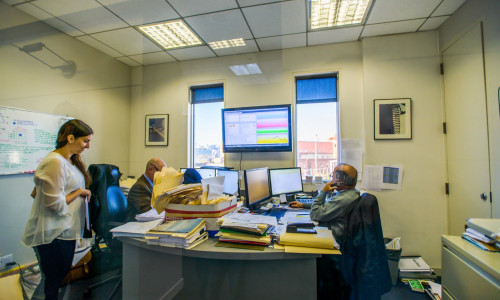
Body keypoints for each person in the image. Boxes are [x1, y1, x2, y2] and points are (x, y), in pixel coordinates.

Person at [22, 119, 93, 300]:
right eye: (85, 141)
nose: (88, 146)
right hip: (54, 235)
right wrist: (78, 192)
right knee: (52, 284)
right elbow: (54, 204)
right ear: (71, 138)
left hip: (64, 231)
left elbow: (36, 193)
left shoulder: (67, 161)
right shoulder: (55, 162)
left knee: (54, 281)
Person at [289, 163, 360, 300]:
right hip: (335, 235)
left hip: (332, 241)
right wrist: (303, 205)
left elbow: (316, 214)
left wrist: (323, 191)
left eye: (333, 176)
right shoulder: (350, 193)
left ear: (340, 181)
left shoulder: (342, 199)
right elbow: (328, 206)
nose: (331, 178)